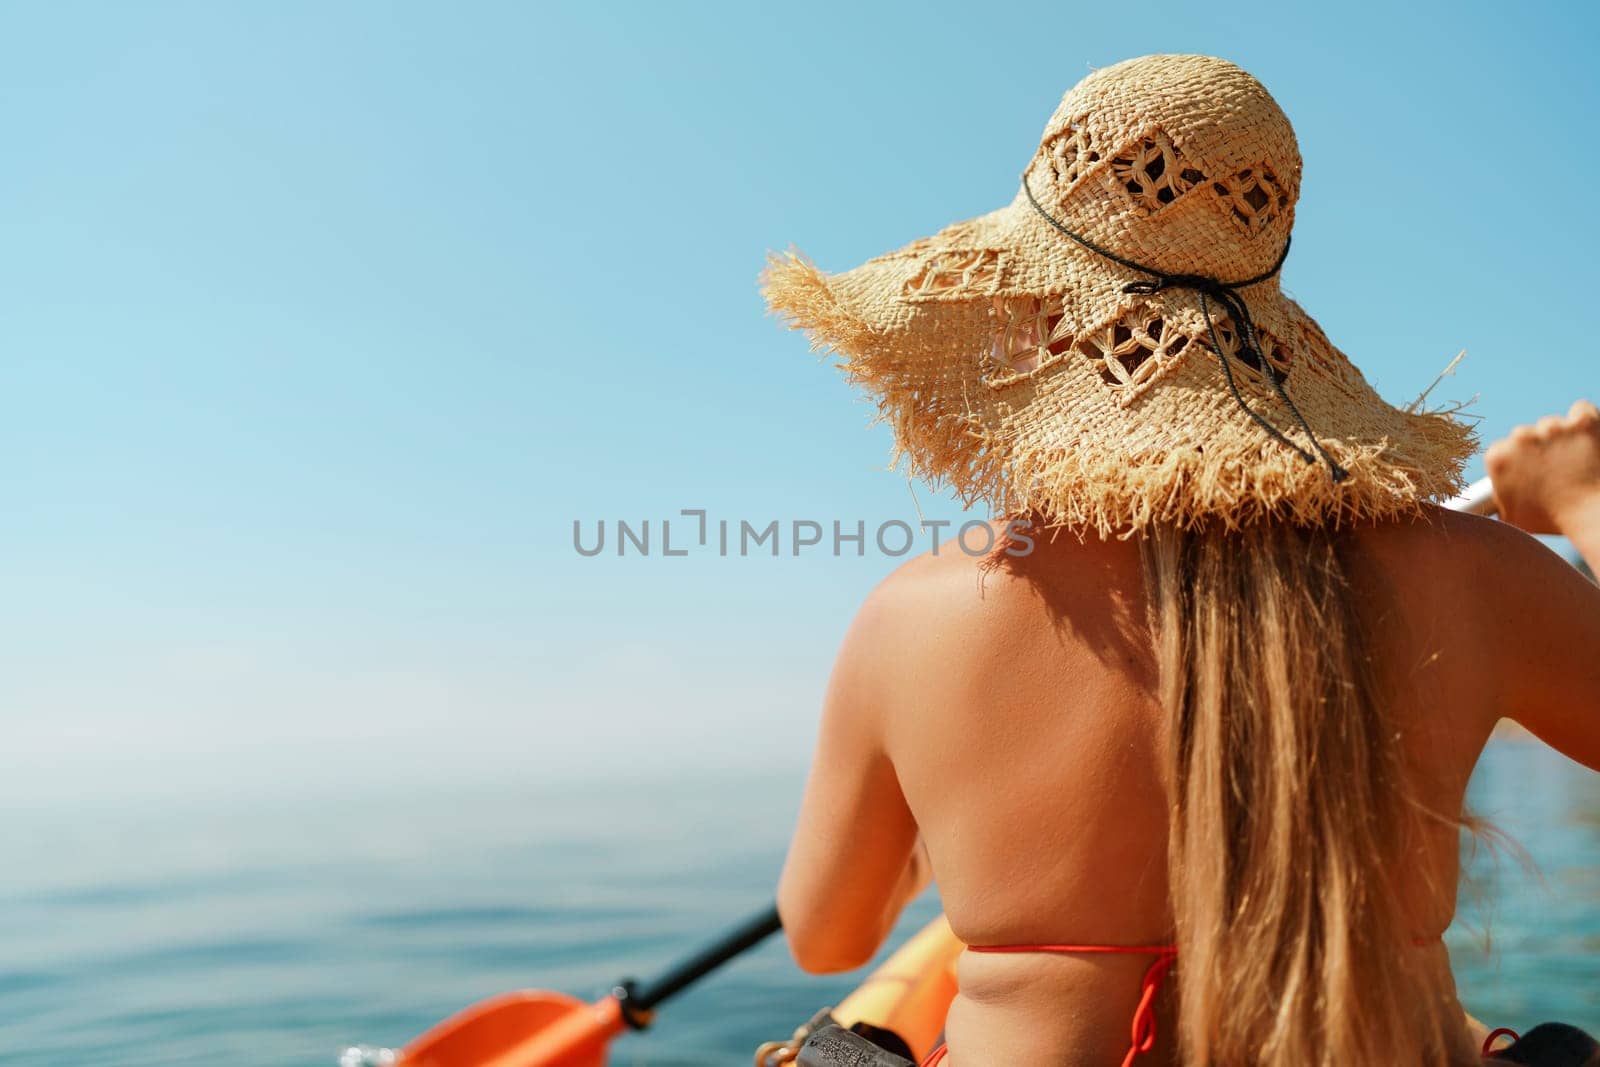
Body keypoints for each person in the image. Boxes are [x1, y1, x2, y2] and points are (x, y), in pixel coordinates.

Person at [762, 55, 1599, 1067]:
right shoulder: (1472, 571)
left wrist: (941, 840)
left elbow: (825, 937)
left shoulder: (916, 615)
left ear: (1023, 326)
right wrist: (1582, 503)